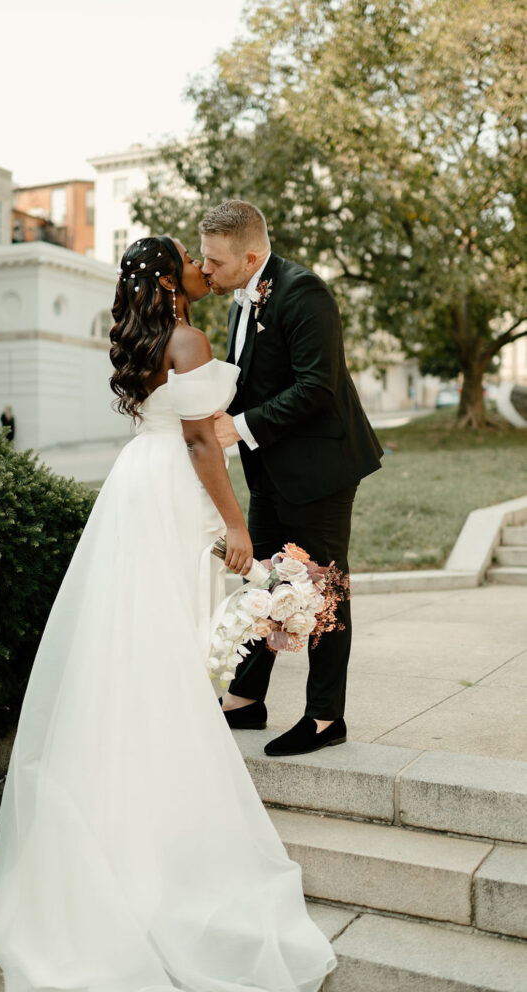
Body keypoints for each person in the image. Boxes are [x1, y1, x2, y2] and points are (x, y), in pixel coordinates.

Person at [0, 234, 336, 992]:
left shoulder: (142, 340)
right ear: (170, 275)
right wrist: (236, 524)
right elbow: (201, 443)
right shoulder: (189, 339)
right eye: (187, 258)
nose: (195, 269)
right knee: (168, 642)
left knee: (134, 643)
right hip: (175, 488)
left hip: (132, 491)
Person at [200, 200, 383, 758]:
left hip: (321, 469)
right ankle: (245, 700)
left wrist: (239, 427)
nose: (205, 270)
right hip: (272, 469)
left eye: (214, 262)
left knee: (323, 589)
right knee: (264, 580)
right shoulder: (240, 296)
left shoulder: (305, 293)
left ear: (251, 256)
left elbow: (316, 387)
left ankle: (327, 718)